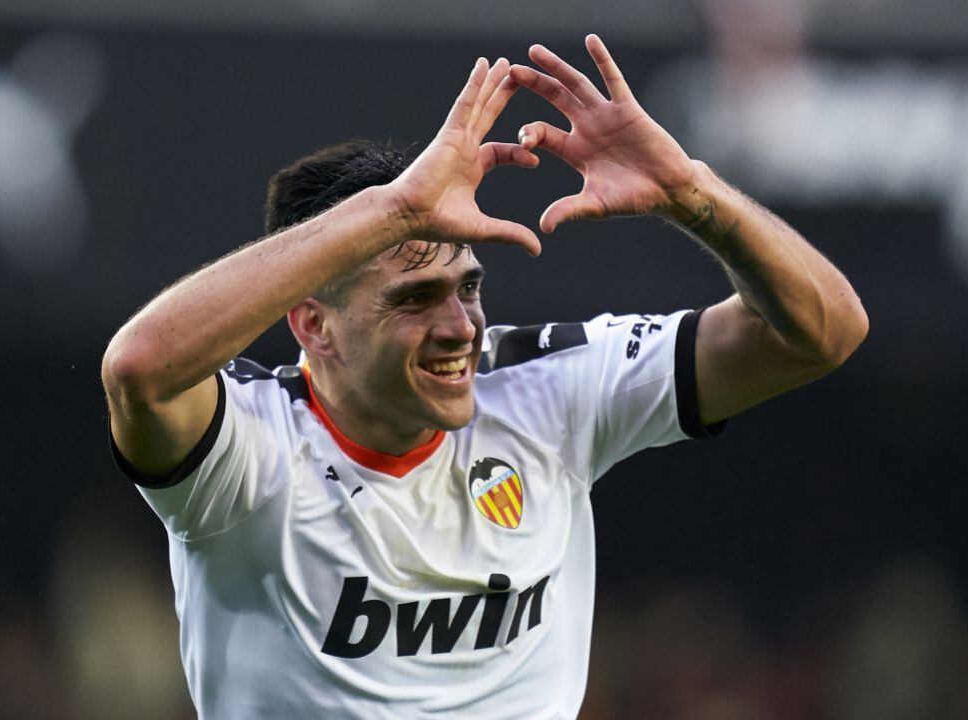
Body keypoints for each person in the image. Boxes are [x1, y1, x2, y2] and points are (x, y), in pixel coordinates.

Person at [102, 36, 867, 719]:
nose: (460, 326)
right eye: (414, 298)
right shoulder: (248, 452)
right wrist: (394, 211)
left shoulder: (548, 391)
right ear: (313, 325)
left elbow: (823, 332)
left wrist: (694, 197)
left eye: (467, 287)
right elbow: (140, 371)